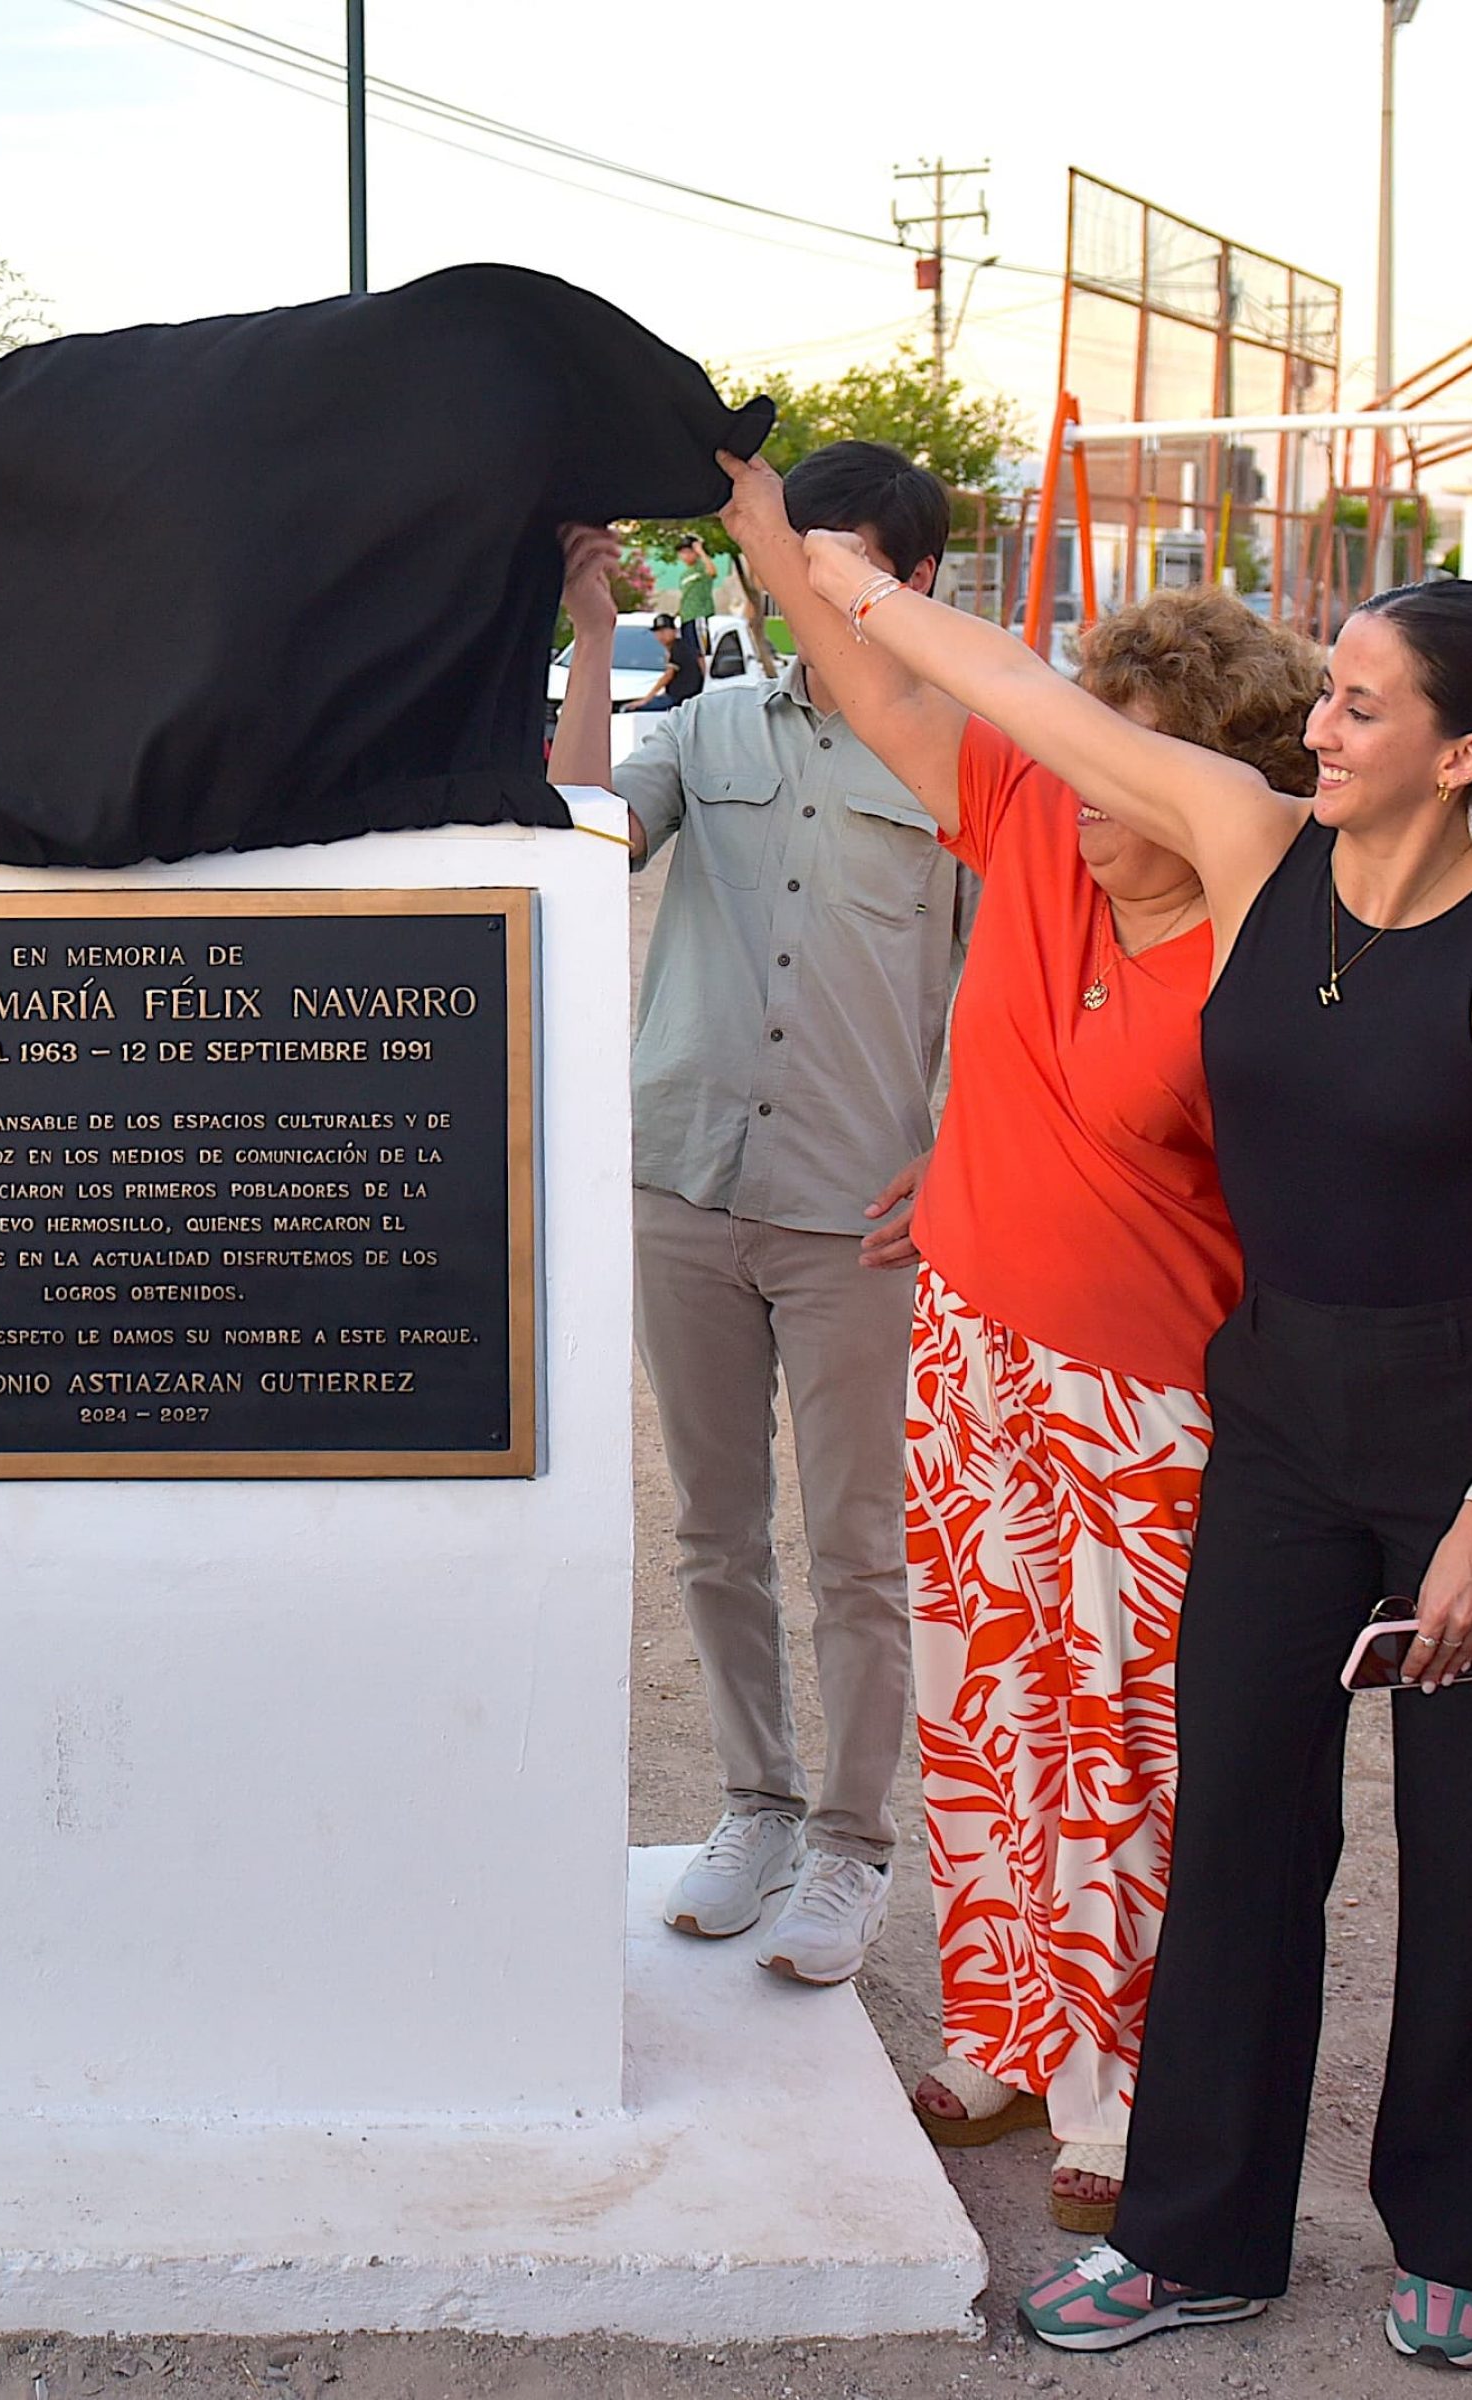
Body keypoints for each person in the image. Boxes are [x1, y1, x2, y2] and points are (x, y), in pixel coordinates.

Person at [800, 528, 1472, 2370]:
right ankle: (1200, 2241)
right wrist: (837, 573)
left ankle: (1463, 2239)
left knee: (1464, 1848)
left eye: (1361, 704)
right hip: (1272, 1413)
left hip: (1452, 1440)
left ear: (1459, 750)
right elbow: (1013, 694)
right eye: (1324, 695)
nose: (1323, 729)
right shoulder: (1269, 851)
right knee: (1242, 1832)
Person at [719, 448, 1322, 2232]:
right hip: (971, 1354)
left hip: (1140, 1408)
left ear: (1197, 769)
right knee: (980, 1718)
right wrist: (770, 540)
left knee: (1117, 1748)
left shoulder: (1257, 929)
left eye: (1111, 757)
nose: (1073, 783)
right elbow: (886, 686)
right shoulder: (1032, 836)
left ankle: (1118, 2101)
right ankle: (997, 2039)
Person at [550, 441, 977, 1986]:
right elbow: (571, 838)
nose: (796, 584)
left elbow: (1008, 993)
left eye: (837, 558)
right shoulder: (711, 721)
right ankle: (755, 1808)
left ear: (913, 581)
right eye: (780, 555)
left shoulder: (959, 761)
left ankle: (855, 1848)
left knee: (859, 1546)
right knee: (715, 1532)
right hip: (685, 1180)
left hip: (858, 1212)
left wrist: (955, 1159)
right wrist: (598, 635)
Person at [623, 610, 706, 714]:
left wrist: (646, 699)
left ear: (674, 631)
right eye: (657, 632)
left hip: (679, 700)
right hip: (681, 699)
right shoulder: (675, 648)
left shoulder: (679, 648)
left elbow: (668, 675)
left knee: (631, 709)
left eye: (664, 631)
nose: (660, 635)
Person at [674, 532, 720, 643]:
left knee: (702, 651)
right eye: (682, 552)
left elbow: (712, 572)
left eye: (689, 552)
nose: (685, 555)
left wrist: (701, 551)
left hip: (700, 616)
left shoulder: (702, 566)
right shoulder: (684, 575)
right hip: (686, 618)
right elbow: (685, 595)